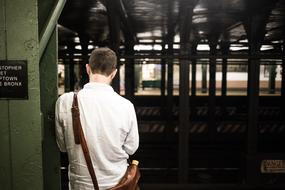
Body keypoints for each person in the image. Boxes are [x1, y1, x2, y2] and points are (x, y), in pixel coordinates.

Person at [55, 47, 139, 190]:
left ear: (88, 68)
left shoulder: (65, 101)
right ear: (114, 73)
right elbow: (131, 148)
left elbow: (62, 147)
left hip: (80, 186)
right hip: (117, 184)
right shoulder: (126, 106)